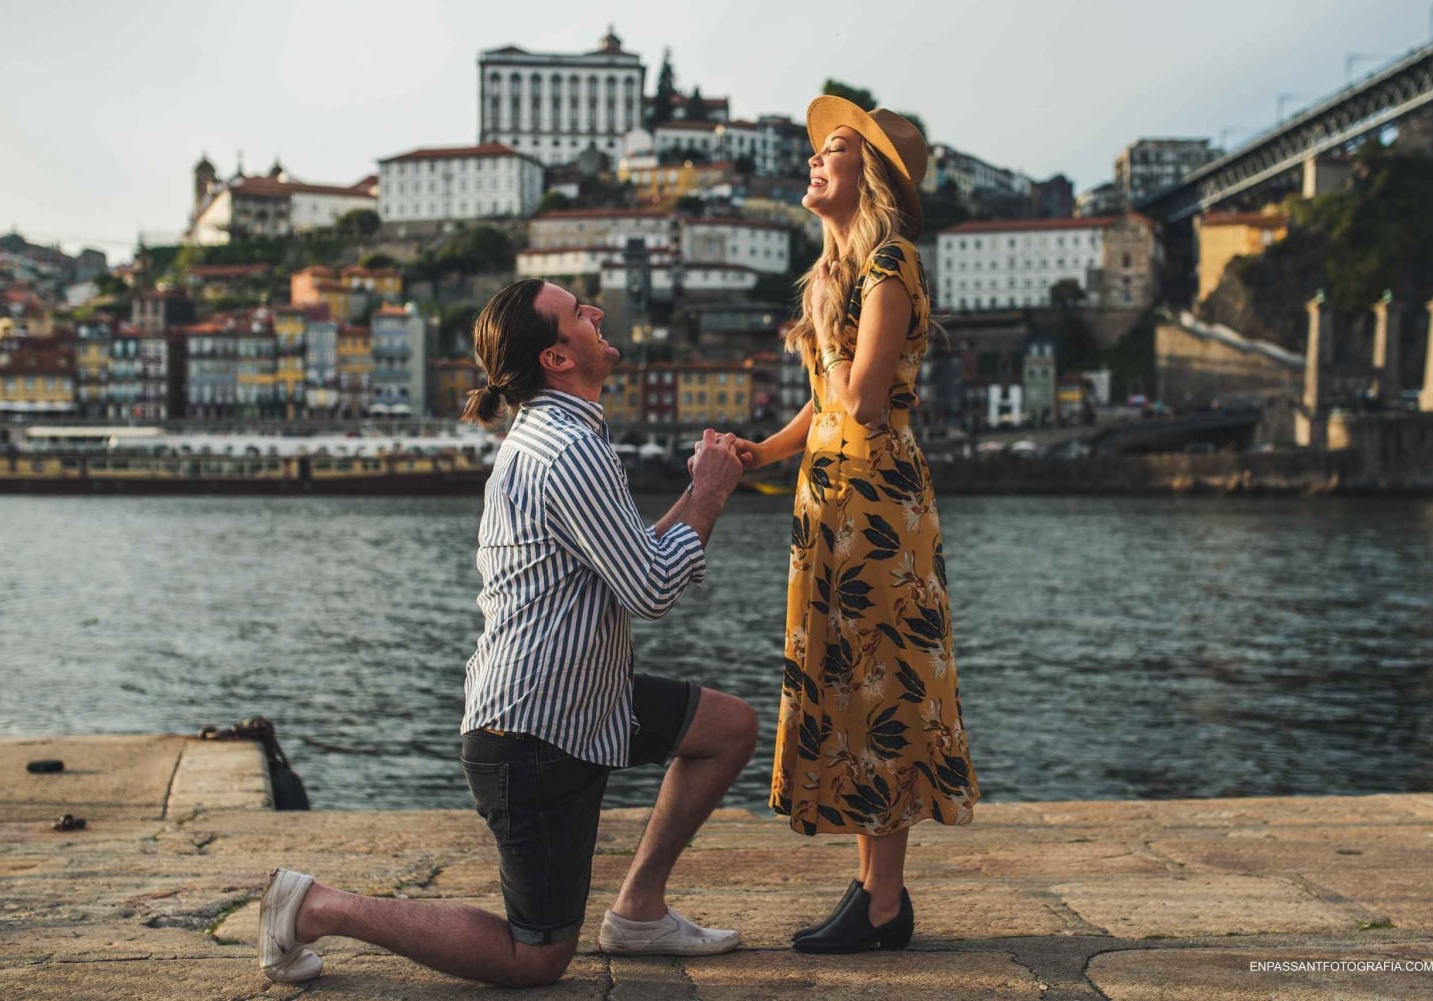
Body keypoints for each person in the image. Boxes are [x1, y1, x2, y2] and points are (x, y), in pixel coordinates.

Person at [256, 279, 757, 987]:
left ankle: (639, 910)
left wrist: (700, 491)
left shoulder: (559, 436)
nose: (597, 313)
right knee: (536, 956)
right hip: (535, 732)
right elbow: (650, 590)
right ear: (557, 357)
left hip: (582, 698)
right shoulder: (568, 449)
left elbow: (632, 558)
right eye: (579, 311)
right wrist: (708, 495)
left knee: (728, 728)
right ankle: (314, 907)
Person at [736, 96, 981, 954]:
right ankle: (876, 893)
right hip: (833, 497)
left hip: (875, 501)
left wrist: (828, 318)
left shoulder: (888, 263)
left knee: (885, 683)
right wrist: (761, 452)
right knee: (850, 685)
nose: (814, 159)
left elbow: (864, 399)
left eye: (832, 149)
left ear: (868, 174)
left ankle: (881, 900)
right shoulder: (845, 271)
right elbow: (821, 405)